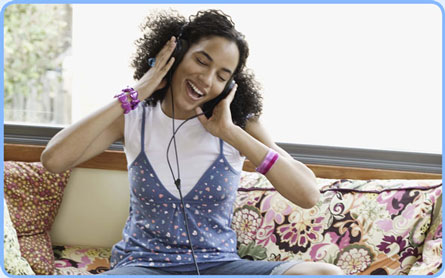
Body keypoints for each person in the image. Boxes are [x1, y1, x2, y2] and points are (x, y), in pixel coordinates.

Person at [41, 9, 344, 276]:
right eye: (201, 60)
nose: (207, 79)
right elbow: (53, 160)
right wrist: (137, 91)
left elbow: (308, 194)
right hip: (143, 266)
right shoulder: (133, 117)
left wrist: (230, 132)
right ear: (176, 54)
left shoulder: (238, 125)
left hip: (218, 266)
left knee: (324, 273)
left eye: (222, 75)